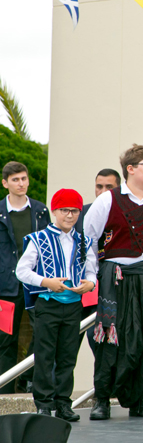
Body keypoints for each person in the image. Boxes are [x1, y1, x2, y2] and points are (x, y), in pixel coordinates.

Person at [83, 144, 143, 420]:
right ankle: (103, 399)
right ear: (131, 169)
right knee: (112, 339)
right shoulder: (108, 200)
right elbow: (89, 241)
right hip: (118, 281)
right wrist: (93, 276)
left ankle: (139, 400)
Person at [16, 189, 97, 421]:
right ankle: (43, 403)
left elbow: (92, 270)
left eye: (74, 211)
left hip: (73, 306)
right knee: (44, 355)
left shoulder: (84, 241)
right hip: (48, 304)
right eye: (64, 210)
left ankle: (63, 403)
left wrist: (89, 284)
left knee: (67, 356)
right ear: (55, 211)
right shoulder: (39, 238)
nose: (69, 215)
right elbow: (22, 270)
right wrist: (45, 282)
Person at [0, 161, 50, 394]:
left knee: (41, 333)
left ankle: (30, 379)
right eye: (15, 179)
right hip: (6, 286)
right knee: (5, 339)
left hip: (36, 283)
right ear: (5, 183)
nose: (21, 183)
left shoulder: (40, 210)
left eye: (23, 178)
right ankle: (6, 390)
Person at [75, 168, 121, 356]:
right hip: (82, 289)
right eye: (99, 186)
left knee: (103, 350)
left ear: (119, 189)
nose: (102, 191)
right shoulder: (81, 213)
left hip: (112, 289)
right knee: (67, 351)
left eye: (109, 187)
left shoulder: (124, 215)